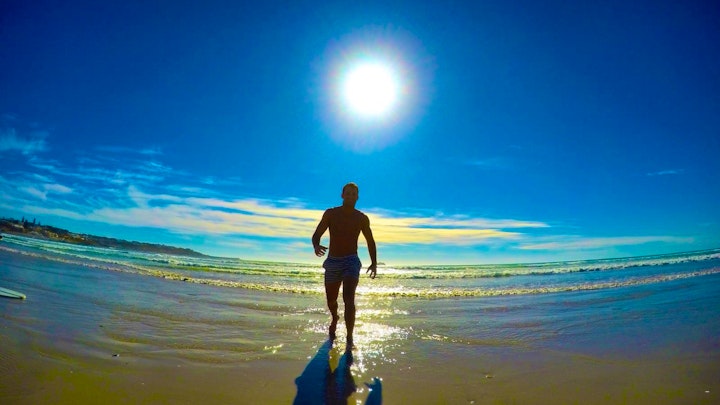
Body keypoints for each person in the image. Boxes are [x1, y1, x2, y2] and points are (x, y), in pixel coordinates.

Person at [312, 182, 377, 348]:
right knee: (331, 301)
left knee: (349, 299)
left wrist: (374, 262)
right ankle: (335, 317)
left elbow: (370, 241)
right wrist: (316, 246)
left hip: (351, 261)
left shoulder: (361, 218)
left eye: (353, 194)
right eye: (347, 193)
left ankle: (349, 337)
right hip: (333, 261)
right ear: (342, 195)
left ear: (357, 197)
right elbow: (316, 234)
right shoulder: (331, 214)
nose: (350, 196)